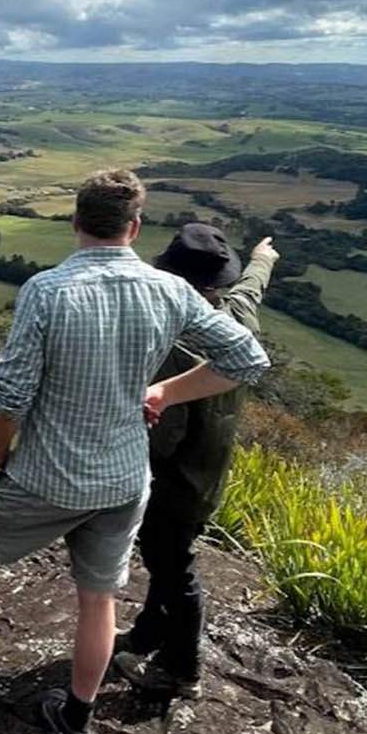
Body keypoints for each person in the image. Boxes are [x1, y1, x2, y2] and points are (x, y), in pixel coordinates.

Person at [0, 171, 271, 734]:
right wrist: (166, 392)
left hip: (51, 472)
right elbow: (247, 358)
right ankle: (75, 720)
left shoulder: (48, 290)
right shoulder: (170, 291)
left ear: (76, 222)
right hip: (127, 480)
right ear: (133, 228)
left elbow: (9, 395)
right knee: (98, 598)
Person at [112, 224, 279, 698]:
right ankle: (146, 636)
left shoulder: (178, 341)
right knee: (168, 561)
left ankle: (181, 670)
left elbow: (166, 434)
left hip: (173, 480)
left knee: (172, 567)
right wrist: (262, 256)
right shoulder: (233, 317)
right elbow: (252, 286)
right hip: (209, 473)